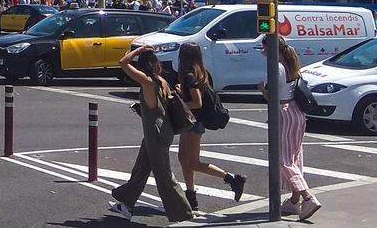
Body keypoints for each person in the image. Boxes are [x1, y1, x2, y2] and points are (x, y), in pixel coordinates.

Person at [107, 46, 194, 224]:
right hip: (160, 130)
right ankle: (126, 202)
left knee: (163, 175)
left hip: (156, 133)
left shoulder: (147, 82)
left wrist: (137, 51)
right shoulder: (162, 81)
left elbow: (123, 63)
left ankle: (184, 213)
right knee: (141, 168)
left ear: (142, 67)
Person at [176, 42, 246, 210]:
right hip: (190, 122)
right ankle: (191, 195)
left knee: (193, 162)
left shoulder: (190, 75)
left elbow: (197, 102)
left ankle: (232, 179)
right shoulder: (200, 72)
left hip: (194, 123)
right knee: (183, 158)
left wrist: (180, 99)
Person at [260, 34, 321, 220]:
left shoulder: (276, 67)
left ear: (270, 48)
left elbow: (271, 95)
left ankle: (307, 197)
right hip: (297, 112)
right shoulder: (291, 62)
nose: (262, 51)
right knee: (295, 156)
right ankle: (295, 201)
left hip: (284, 112)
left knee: (283, 159)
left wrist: (262, 89)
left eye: (263, 47)